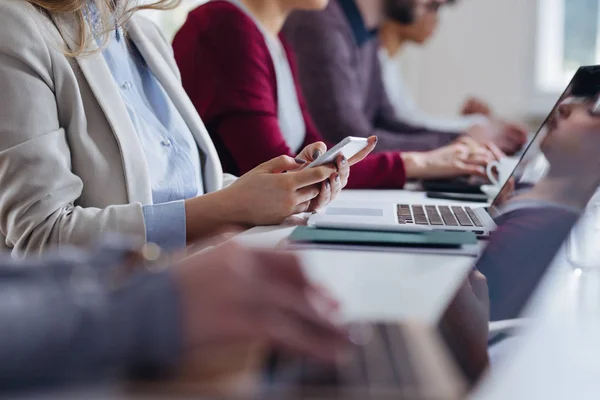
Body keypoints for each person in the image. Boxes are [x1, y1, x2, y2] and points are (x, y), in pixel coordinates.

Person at [0, 0, 371, 257]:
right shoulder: (16, 27)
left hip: (199, 277)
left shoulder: (142, 34)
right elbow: (42, 236)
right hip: (107, 319)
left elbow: (186, 192)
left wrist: (276, 188)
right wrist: (232, 205)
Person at [173, 0, 500, 189]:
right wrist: (415, 162)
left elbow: (320, 154)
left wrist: (429, 160)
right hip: (227, 246)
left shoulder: (274, 40)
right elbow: (281, 175)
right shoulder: (227, 27)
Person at [0, 238, 349, 390]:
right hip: (97, 330)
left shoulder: (167, 80)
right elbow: (41, 233)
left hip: (143, 288)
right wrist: (148, 304)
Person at [282, 0, 527, 154]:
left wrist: (464, 138)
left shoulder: (367, 33)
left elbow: (387, 119)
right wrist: (457, 142)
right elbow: (350, 139)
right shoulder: (320, 25)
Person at [378, 0, 527, 154]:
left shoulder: (390, 63)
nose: (437, 20)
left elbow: (412, 120)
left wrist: (476, 123)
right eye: (432, 7)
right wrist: (473, 127)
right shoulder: (375, 62)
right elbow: (403, 125)